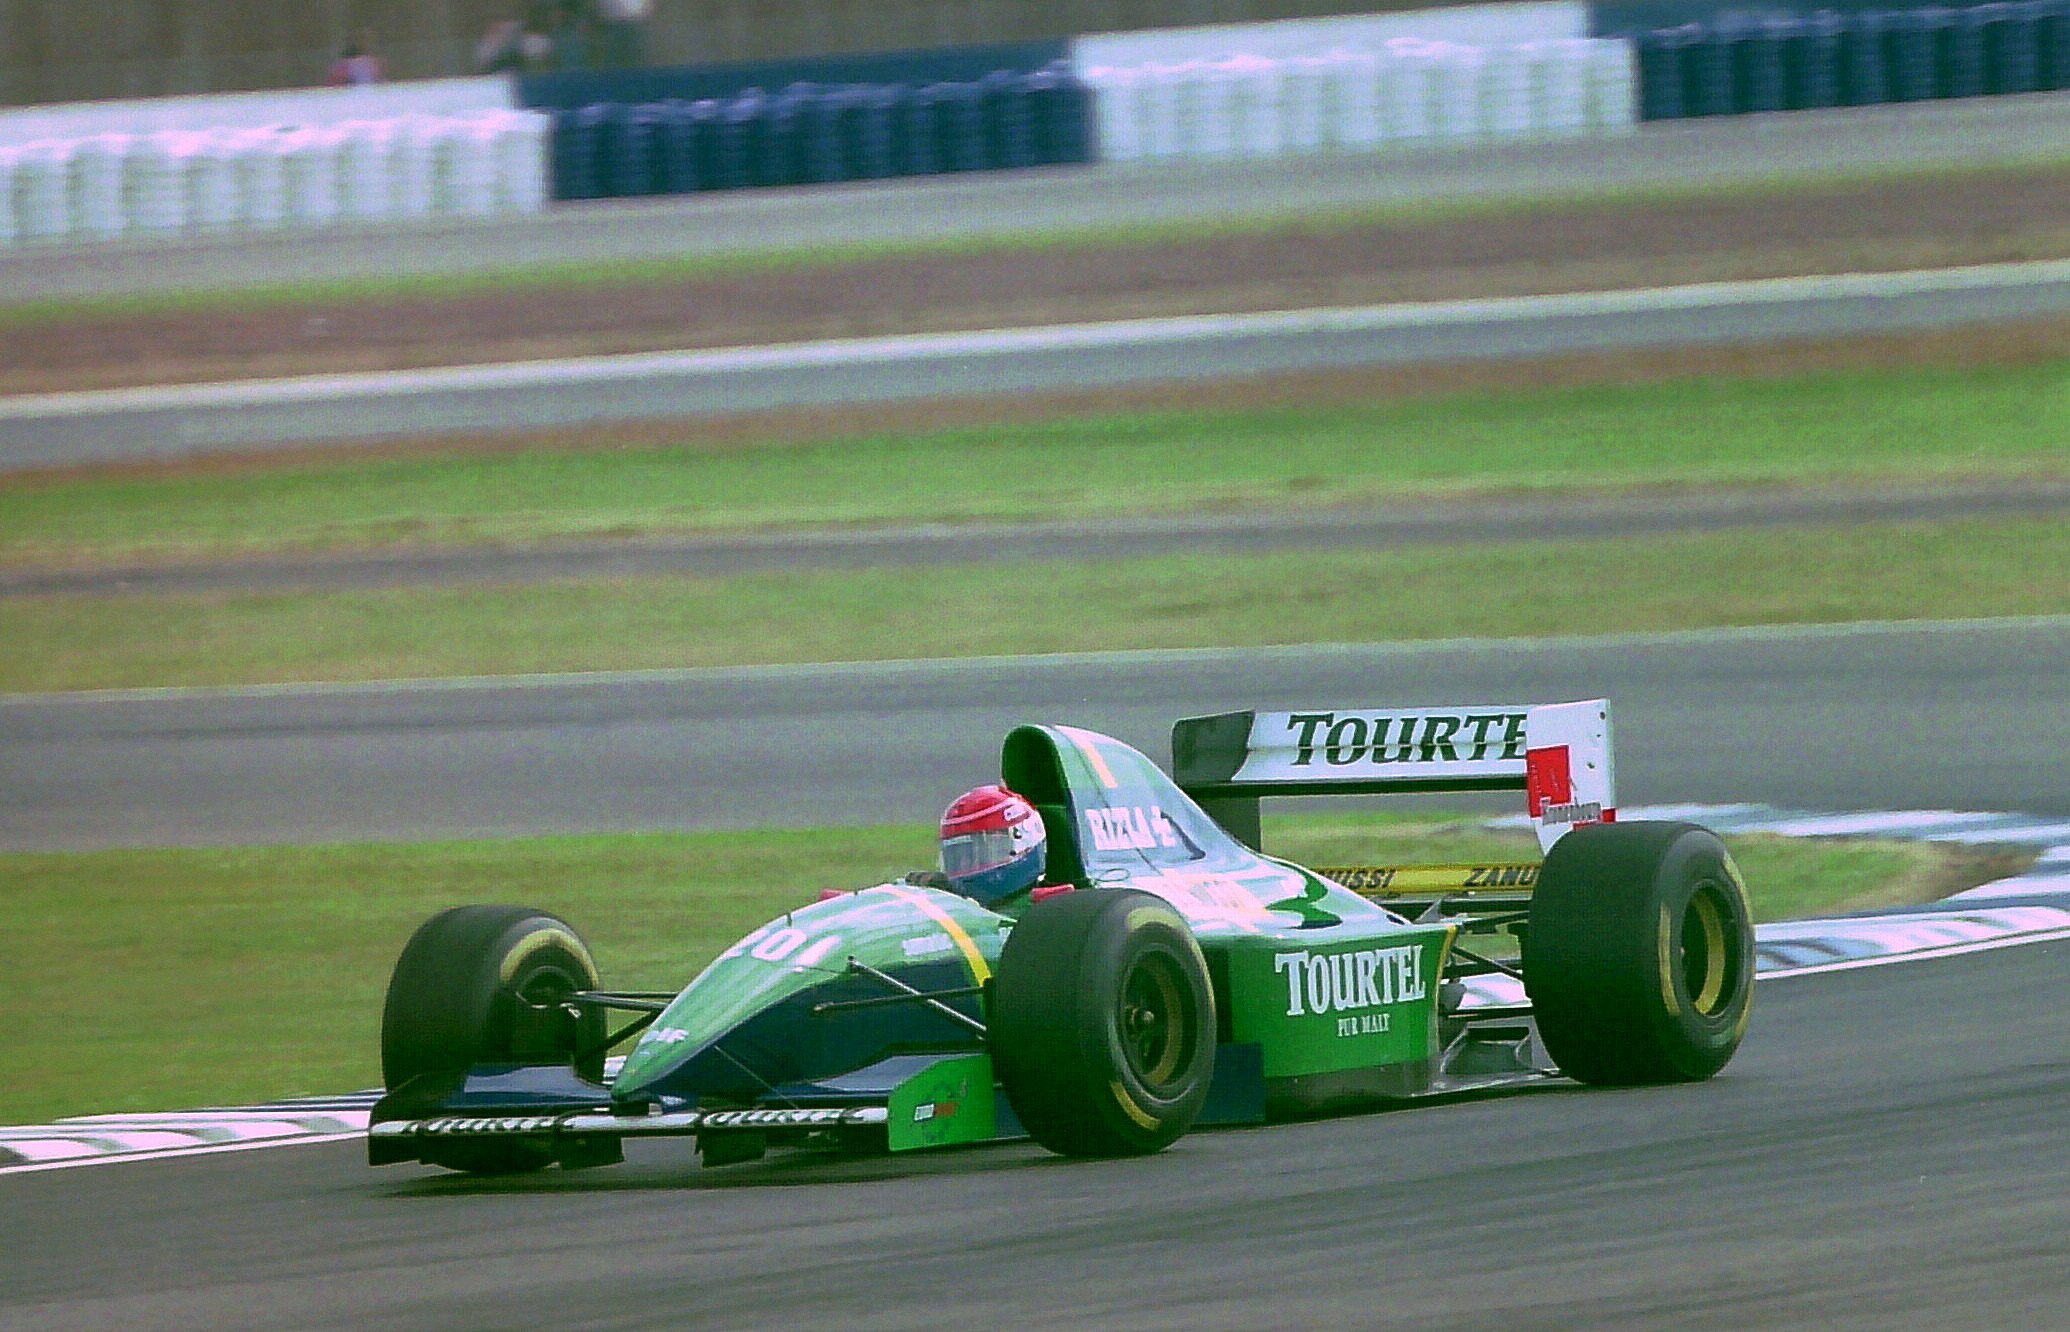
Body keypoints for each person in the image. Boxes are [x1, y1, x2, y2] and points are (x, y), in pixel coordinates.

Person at [936, 785, 1049, 905]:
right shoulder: (950, 909)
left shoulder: (1051, 911)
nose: (963, 864)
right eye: (955, 857)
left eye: (980, 853)